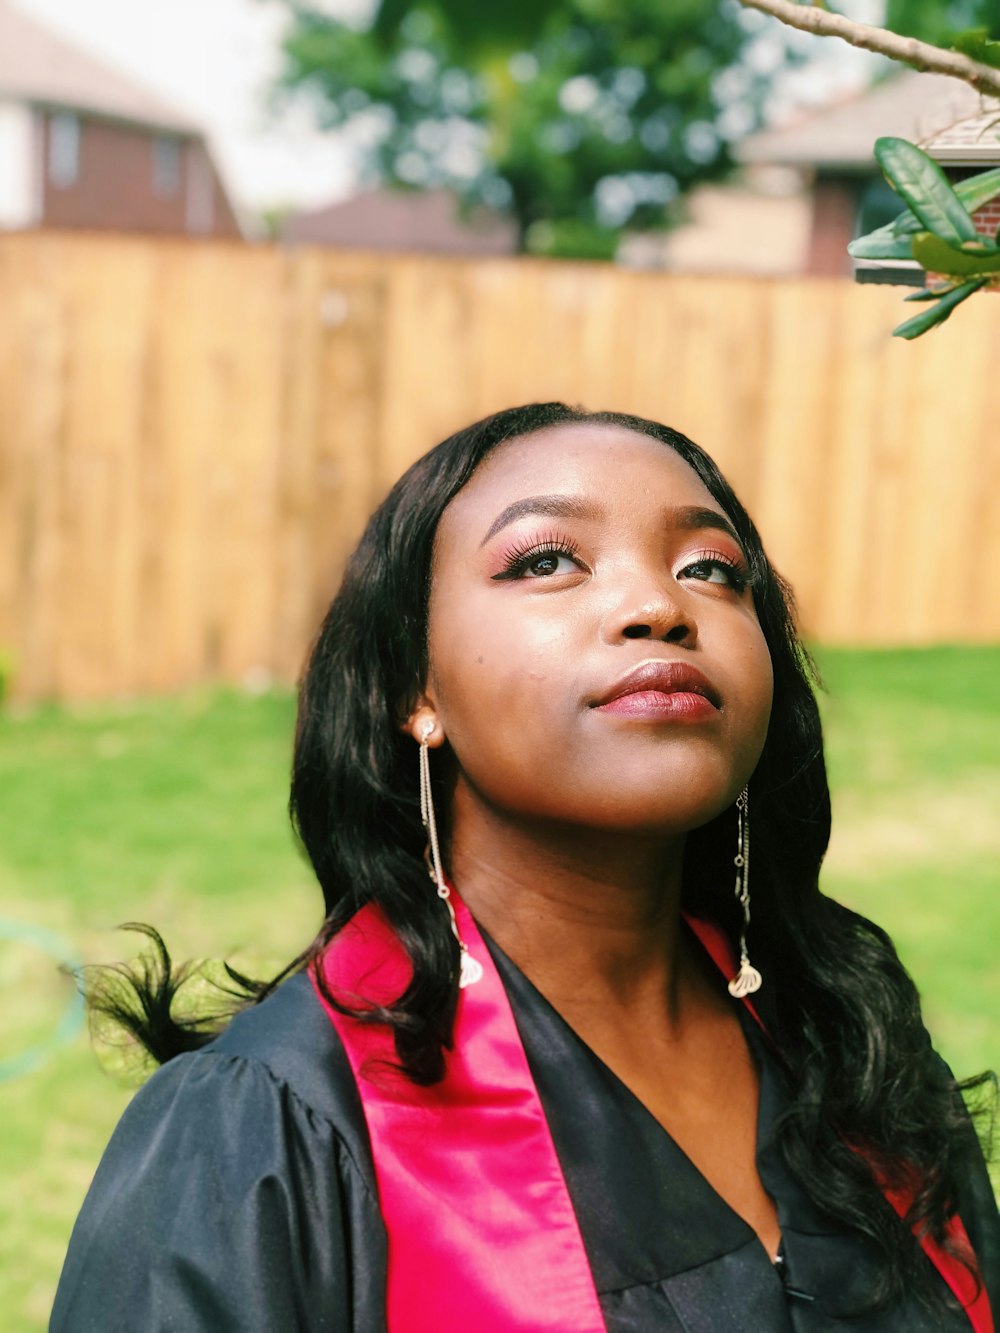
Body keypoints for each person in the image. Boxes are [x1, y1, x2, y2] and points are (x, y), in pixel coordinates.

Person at [52, 403, 997, 1332]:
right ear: (412, 688)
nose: (658, 605)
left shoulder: (854, 1052)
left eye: (711, 569)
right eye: (547, 560)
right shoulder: (267, 1134)